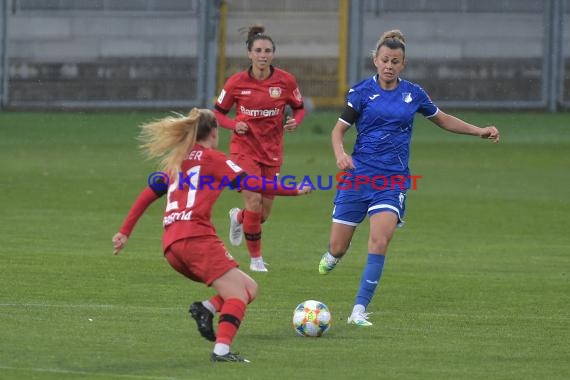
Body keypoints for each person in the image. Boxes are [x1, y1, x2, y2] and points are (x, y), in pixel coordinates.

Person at [317, 30, 500, 326]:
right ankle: (334, 255)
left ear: (403, 64)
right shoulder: (360, 93)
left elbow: (442, 119)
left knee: (379, 241)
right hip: (358, 177)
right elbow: (338, 131)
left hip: (392, 180)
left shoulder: (413, 94)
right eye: (385, 60)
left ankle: (358, 310)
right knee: (338, 246)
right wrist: (340, 154)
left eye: (396, 61)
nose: (389, 65)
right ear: (375, 60)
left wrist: (478, 130)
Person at [112, 108, 310, 363]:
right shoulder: (213, 159)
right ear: (214, 133)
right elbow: (253, 184)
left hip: (172, 246)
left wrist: (124, 232)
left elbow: (147, 194)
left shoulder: (176, 161)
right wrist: (293, 190)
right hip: (197, 240)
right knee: (237, 296)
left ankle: (205, 309)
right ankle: (221, 351)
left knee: (250, 287)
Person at [214, 25, 306, 272]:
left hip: (272, 152)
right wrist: (235, 124)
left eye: (267, 51)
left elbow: (299, 107)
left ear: (273, 54)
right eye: (258, 50)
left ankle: (238, 217)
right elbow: (218, 113)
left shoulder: (285, 81)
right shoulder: (236, 83)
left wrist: (295, 121)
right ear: (249, 54)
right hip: (243, 151)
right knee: (253, 200)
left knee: (261, 215)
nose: (262, 55)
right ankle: (256, 260)